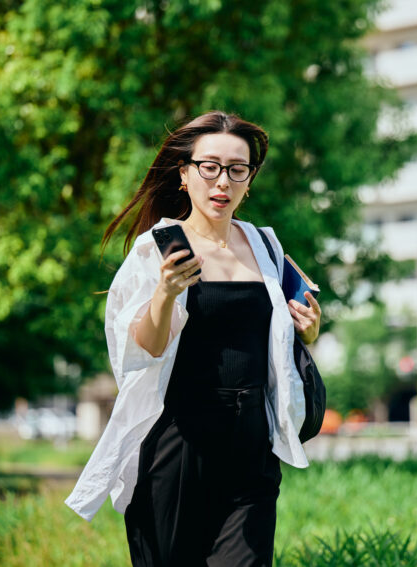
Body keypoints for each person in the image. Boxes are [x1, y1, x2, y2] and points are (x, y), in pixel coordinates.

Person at [65, 111, 321, 566]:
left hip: (250, 448)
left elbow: (286, 335)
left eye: (237, 169)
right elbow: (143, 349)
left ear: (249, 179)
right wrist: (165, 292)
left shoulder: (266, 248)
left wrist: (310, 331)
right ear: (184, 173)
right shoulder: (158, 248)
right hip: (178, 443)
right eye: (210, 167)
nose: (222, 181)